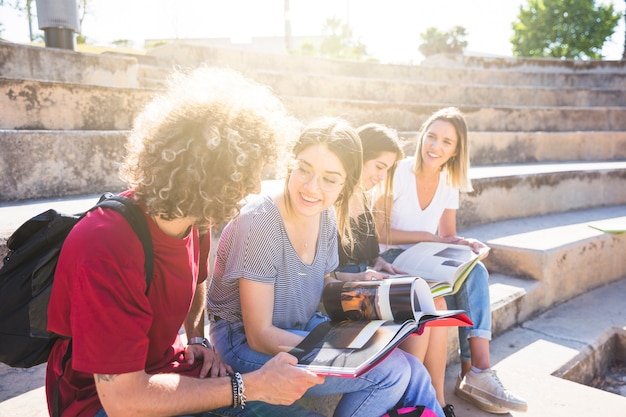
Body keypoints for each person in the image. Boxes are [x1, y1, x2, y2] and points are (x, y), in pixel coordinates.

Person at [45, 66, 326, 417]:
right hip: (102, 402)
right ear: (208, 171)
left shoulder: (196, 216)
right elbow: (124, 401)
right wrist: (250, 386)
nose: (256, 187)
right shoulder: (107, 244)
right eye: (247, 171)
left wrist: (196, 337)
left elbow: (197, 283)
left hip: (168, 370)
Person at [207, 117, 445, 417]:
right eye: (304, 169)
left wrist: (379, 296)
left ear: (345, 185)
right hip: (244, 345)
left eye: (329, 179)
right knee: (392, 371)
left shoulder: (326, 215)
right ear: (290, 165)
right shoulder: (260, 222)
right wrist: (353, 349)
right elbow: (260, 335)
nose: (311, 187)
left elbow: (323, 282)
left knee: (413, 368)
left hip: (299, 325)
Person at [375, 107, 528, 414]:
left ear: (456, 150)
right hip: (389, 256)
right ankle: (472, 374)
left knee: (475, 270)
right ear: (421, 137)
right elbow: (380, 231)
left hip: (423, 255)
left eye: (446, 142)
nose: (435, 146)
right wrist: (430, 238)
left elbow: (448, 235)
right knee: (442, 300)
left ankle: (477, 371)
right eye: (431, 137)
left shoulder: (449, 181)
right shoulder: (399, 171)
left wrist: (465, 245)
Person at [332, 123, 456, 417]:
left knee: (436, 303)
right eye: (378, 166)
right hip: (340, 295)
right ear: (357, 157)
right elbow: (326, 272)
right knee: (419, 310)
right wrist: (360, 276)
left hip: (364, 283)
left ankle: (436, 402)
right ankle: (407, 406)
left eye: (387, 169)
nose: (381, 176)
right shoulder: (333, 200)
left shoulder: (363, 197)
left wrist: (379, 264)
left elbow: (368, 252)